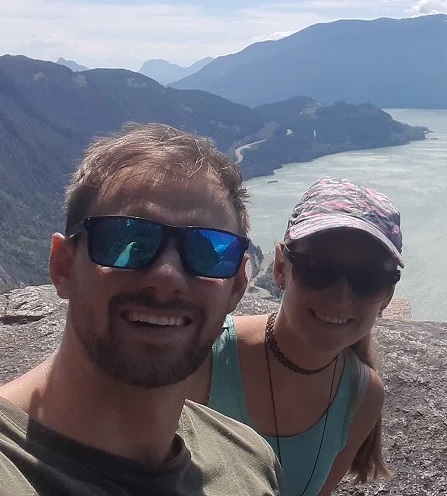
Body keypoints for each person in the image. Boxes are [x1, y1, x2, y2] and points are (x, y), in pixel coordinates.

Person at [0, 123, 284, 495]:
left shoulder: (250, 463)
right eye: (128, 241)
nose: (167, 276)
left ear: (236, 288)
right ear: (64, 267)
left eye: (205, 251)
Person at [190, 177, 399, 496]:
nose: (340, 297)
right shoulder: (205, 356)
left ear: (387, 296)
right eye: (318, 268)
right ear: (280, 268)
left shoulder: (364, 396)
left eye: (368, 278)